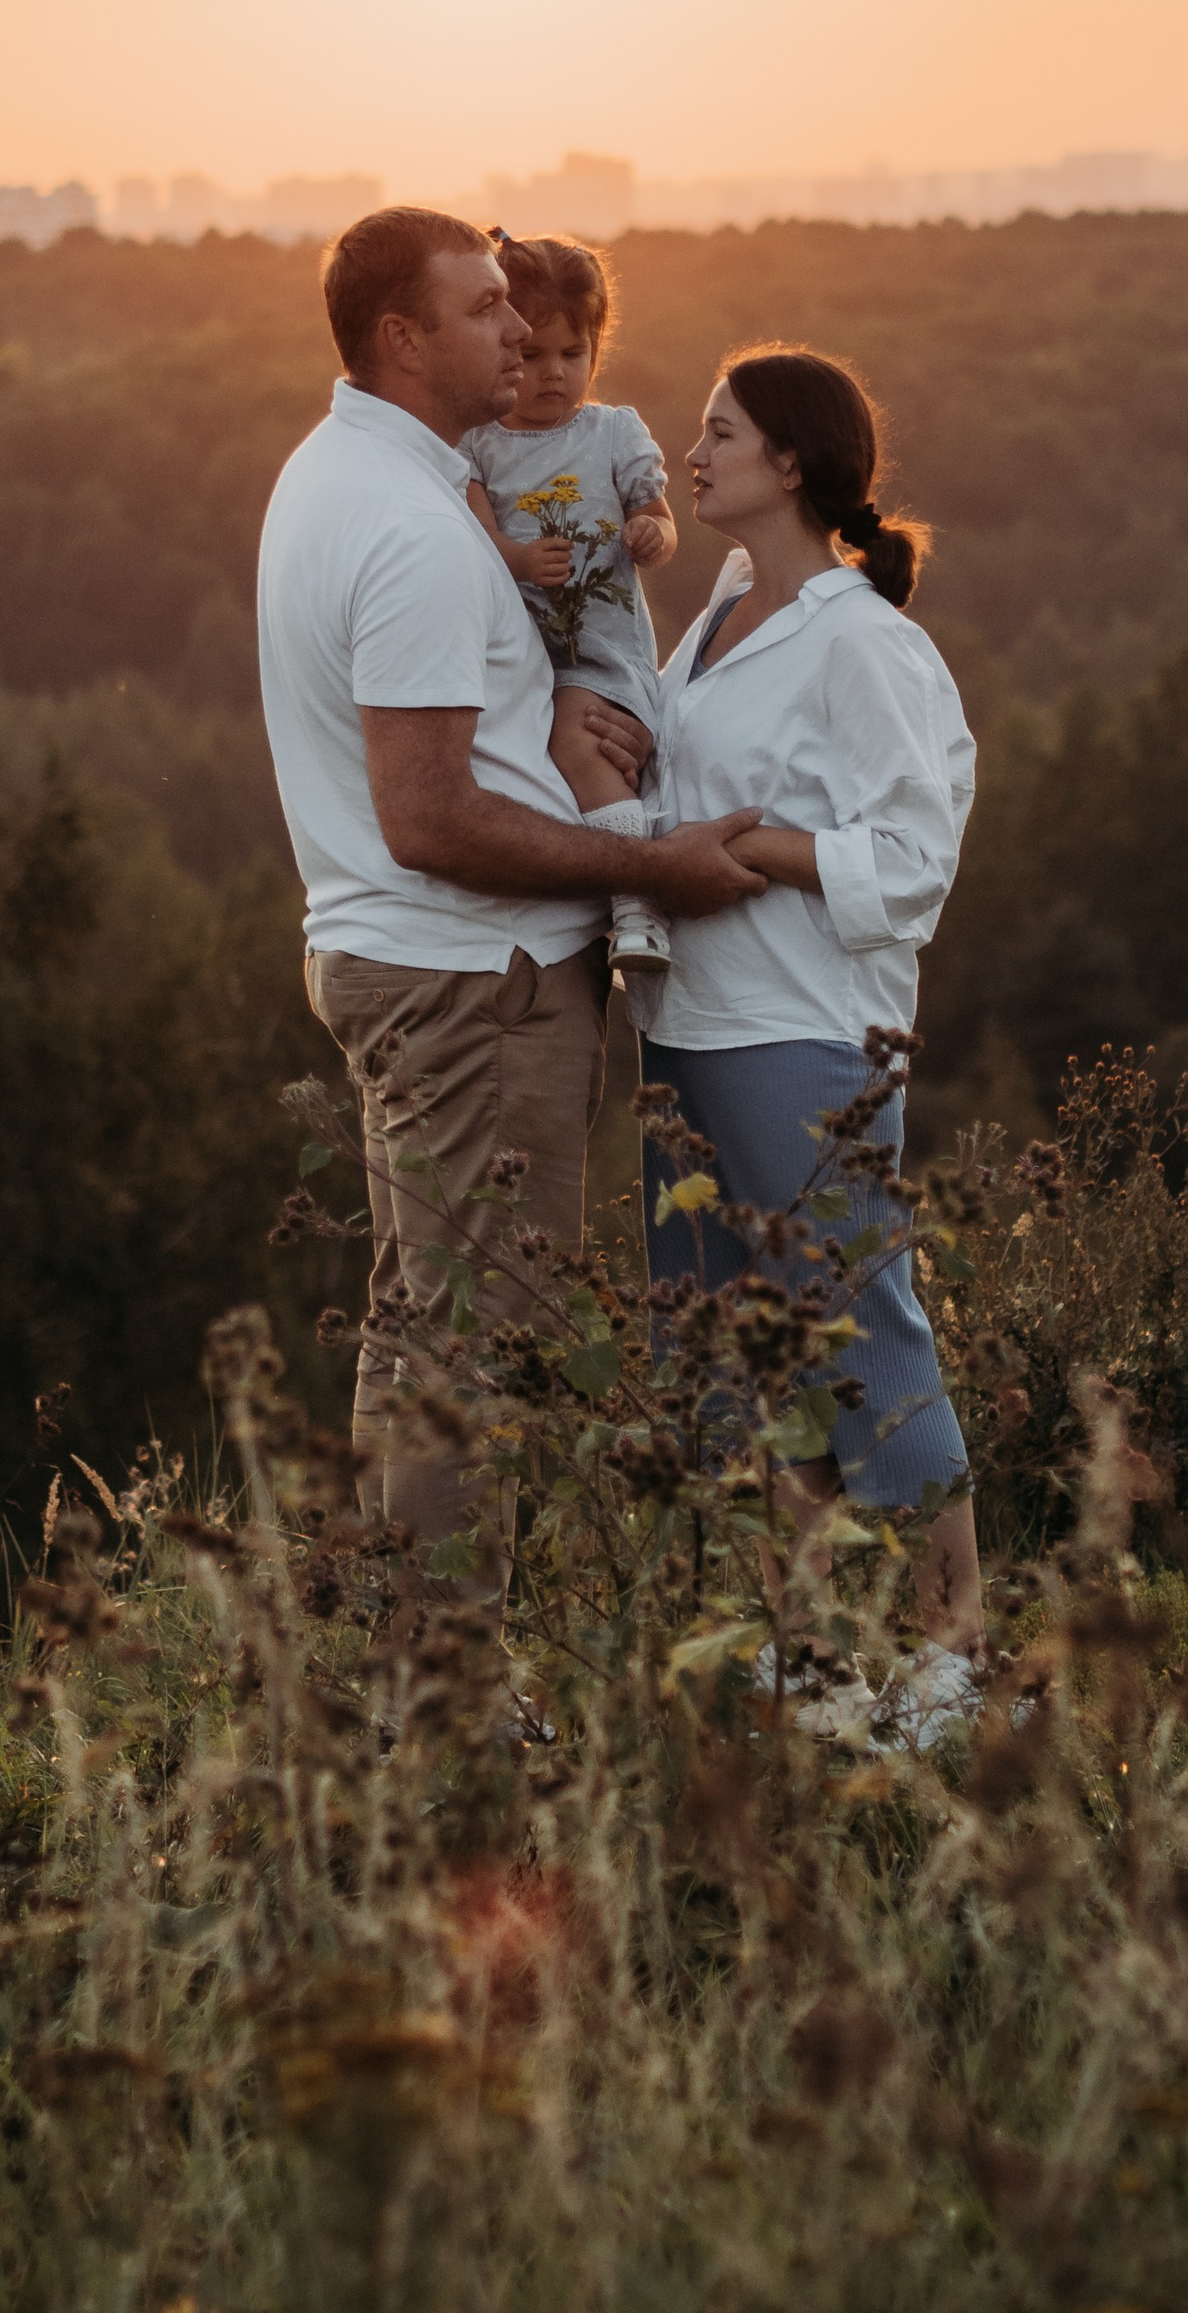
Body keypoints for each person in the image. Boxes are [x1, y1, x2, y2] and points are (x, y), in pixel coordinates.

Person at [255, 207, 768, 1595]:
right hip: (475, 986)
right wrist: (650, 863)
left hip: (422, 968)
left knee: (428, 1322)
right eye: (483, 312)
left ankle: (408, 1660)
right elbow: (429, 813)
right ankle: (451, 1702)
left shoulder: (341, 475)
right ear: (400, 339)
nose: (518, 333)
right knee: (483, 1339)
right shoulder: (413, 528)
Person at [629, 343, 982, 1741]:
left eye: (718, 433)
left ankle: (959, 1664)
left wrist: (748, 852)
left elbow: (914, 856)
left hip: (803, 1029)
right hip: (685, 1022)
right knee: (736, 1352)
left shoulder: (859, 641)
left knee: (861, 1331)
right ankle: (808, 1660)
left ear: (791, 463)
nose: (691, 453)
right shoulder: (713, 614)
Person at [460, 232, 679, 980]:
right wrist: (520, 558)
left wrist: (652, 532)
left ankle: (638, 900)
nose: (553, 373)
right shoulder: (481, 446)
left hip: (598, 652)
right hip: (524, 660)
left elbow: (659, 515)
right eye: (534, 354)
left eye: (573, 353)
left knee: (579, 743)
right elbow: (478, 537)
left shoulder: (612, 432)